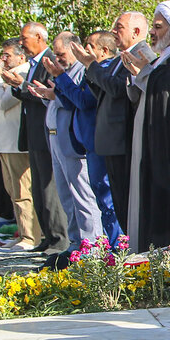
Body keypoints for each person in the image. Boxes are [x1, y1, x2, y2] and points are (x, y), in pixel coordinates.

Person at [125, 2, 170, 250]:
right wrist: (143, 72)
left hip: (169, 154)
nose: (153, 32)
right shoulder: (163, 62)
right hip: (154, 149)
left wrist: (146, 72)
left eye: (158, 27)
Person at [28, 32, 102, 263]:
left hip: (73, 140)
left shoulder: (82, 70)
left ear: (74, 48)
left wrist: (56, 91)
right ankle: (75, 243)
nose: (57, 59)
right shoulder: (65, 72)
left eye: (61, 54)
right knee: (66, 195)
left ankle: (92, 245)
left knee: (83, 195)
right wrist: (47, 94)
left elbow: (79, 101)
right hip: (55, 137)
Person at [79, 10, 146, 234]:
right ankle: (119, 247)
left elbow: (118, 89)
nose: (114, 32)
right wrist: (91, 69)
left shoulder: (141, 54)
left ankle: (127, 247)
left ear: (136, 31)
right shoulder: (120, 58)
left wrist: (91, 66)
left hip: (124, 137)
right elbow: (103, 92)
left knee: (124, 199)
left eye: (119, 28)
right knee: (115, 200)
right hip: (111, 138)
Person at [52, 30, 121, 246]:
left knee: (108, 200)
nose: (84, 49)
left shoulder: (105, 70)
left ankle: (116, 248)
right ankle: (109, 248)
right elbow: (76, 99)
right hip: (89, 143)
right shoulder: (92, 71)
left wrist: (60, 77)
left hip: (101, 142)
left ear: (104, 50)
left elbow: (84, 101)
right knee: (101, 198)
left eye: (90, 45)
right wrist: (58, 84)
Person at [8, 22, 68, 252]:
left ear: (39, 38)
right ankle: (47, 236)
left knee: (49, 188)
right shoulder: (33, 63)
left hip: (48, 131)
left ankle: (58, 238)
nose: (21, 42)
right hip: (34, 133)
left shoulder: (49, 61)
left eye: (24, 38)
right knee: (39, 189)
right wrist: (17, 86)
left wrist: (21, 85)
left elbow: (46, 94)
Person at [0, 40, 40, 249]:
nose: (3, 59)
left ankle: (31, 236)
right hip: (2, 142)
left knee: (23, 191)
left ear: (21, 57)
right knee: (12, 191)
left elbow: (5, 102)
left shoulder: (23, 73)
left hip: (16, 142)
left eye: (8, 55)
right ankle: (22, 232)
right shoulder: (3, 76)